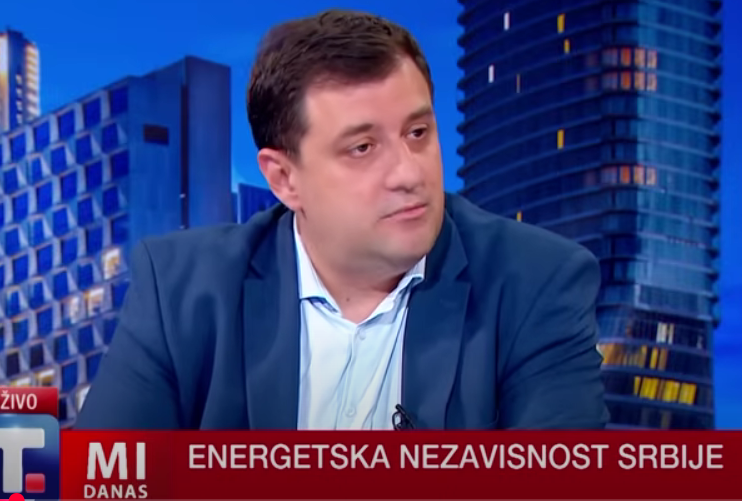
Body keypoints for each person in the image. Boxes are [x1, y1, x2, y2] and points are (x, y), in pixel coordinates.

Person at [76, 10, 608, 430]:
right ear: (284, 179)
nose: (409, 173)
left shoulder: (535, 284)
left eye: (418, 133)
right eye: (362, 148)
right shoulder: (183, 293)